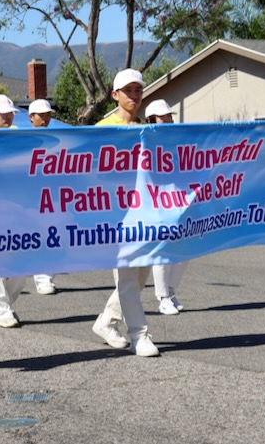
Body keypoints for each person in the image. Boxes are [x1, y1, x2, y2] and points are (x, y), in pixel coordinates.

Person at [91, 69, 160, 357]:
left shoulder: (146, 128)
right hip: (117, 216)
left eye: (138, 90)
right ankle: (139, 335)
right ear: (115, 94)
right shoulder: (102, 128)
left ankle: (106, 322)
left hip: (145, 213)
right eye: (128, 90)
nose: (134, 95)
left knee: (142, 275)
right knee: (129, 278)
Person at [0, 94, 29, 327]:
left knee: (23, 261)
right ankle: (1, 309)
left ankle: (5, 304)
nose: (8, 116)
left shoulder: (20, 139)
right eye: (3, 112)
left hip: (18, 205)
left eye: (10, 112)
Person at [143, 99, 188, 316]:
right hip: (155, 202)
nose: (168, 119)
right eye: (163, 116)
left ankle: (170, 292)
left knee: (184, 250)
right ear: (151, 119)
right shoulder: (144, 139)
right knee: (161, 250)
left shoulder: (178, 138)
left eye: (169, 116)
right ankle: (162, 298)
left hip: (179, 200)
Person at [28, 98, 58, 296]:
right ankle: (40, 277)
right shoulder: (23, 139)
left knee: (53, 235)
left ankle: (47, 277)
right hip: (30, 197)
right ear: (31, 117)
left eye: (48, 115)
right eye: (41, 115)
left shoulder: (57, 138)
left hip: (52, 195)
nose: (46, 119)